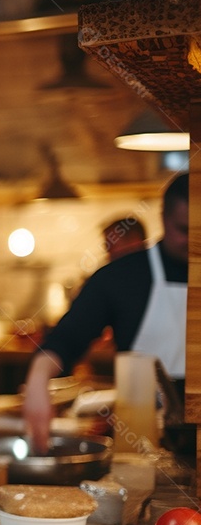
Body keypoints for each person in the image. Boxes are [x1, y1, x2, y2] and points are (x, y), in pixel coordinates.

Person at [23, 173, 188, 451]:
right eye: (184, 230)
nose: (195, 241)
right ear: (164, 219)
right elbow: (67, 338)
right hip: (144, 444)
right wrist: (38, 380)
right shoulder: (122, 277)